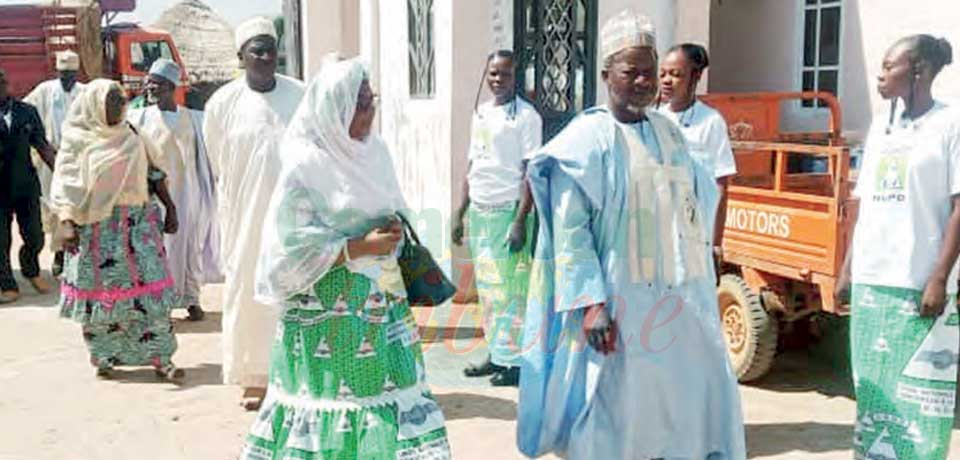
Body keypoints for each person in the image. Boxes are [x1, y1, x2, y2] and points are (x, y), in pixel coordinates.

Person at [516, 10, 746, 459]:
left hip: (672, 303)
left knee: (672, 406)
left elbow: (696, 203)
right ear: (606, 75)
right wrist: (592, 305)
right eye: (631, 72)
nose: (645, 81)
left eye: (651, 71)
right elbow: (571, 231)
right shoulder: (586, 141)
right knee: (613, 408)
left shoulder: (669, 134)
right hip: (616, 305)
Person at [241, 57, 452, 460]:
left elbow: (391, 204)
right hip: (327, 315)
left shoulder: (375, 152)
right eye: (362, 105)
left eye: (373, 102)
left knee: (390, 398)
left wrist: (392, 228)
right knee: (335, 408)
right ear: (336, 108)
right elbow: (288, 250)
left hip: (381, 306)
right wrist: (355, 247)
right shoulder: (305, 164)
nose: (370, 114)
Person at [836, 35, 960, 460]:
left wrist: (939, 277)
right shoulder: (881, 127)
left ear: (919, 70)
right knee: (875, 399)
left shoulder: (951, 124)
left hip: (919, 285)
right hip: (874, 283)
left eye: (890, 66)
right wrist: (848, 269)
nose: (880, 74)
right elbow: (865, 202)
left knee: (921, 397)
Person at [204, 16, 305, 410]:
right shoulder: (221, 103)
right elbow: (217, 160)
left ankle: (296, 374)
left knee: (294, 290)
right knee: (248, 291)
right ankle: (255, 377)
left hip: (294, 216)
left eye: (270, 48)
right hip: (245, 215)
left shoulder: (300, 94)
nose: (265, 56)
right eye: (256, 50)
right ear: (240, 56)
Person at [50, 79, 183, 380]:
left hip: (137, 229)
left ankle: (161, 358)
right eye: (111, 101)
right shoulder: (78, 141)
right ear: (94, 104)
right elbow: (64, 187)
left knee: (152, 299)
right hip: (95, 234)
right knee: (101, 299)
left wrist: (170, 208)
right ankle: (105, 358)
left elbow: (155, 173)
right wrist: (67, 224)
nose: (118, 107)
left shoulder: (133, 134)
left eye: (121, 101)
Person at [452, 50, 542, 387]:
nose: (497, 80)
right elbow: (472, 165)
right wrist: (460, 213)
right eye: (492, 73)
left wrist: (521, 219)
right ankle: (496, 353)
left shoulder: (526, 118)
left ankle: (516, 362)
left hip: (508, 212)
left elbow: (530, 171)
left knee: (512, 291)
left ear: (515, 77)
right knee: (489, 290)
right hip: (481, 211)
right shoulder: (481, 114)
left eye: (503, 74)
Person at [129, 59, 219, 322]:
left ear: (170, 87)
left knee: (190, 247)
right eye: (148, 82)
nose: (148, 87)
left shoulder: (193, 119)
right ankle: (160, 302)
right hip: (154, 196)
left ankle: (190, 298)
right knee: (158, 250)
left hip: (188, 195)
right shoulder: (138, 118)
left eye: (154, 83)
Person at [658, 43, 736, 270]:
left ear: (696, 76)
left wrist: (715, 244)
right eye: (662, 74)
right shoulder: (653, 120)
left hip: (695, 239)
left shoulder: (711, 122)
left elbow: (721, 185)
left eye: (675, 74)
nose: (666, 80)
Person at [24, 50, 85, 278]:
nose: (66, 78)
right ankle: (59, 254)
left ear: (76, 73)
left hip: (78, 159)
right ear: (57, 71)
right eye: (63, 74)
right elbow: (26, 110)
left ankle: (74, 256)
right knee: (52, 207)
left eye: (70, 74)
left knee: (75, 207)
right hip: (50, 159)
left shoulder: (85, 93)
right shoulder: (45, 91)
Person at [0, 69, 57, 304]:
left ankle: (30, 268)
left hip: (25, 186)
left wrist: (61, 172)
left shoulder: (27, 112)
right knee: (1, 240)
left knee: (35, 235)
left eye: (2, 82)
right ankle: (7, 283)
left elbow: (42, 146)